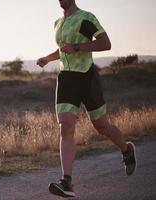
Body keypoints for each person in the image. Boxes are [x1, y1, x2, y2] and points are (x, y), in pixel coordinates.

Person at [36, 0, 137, 198]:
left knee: (102, 126)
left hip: (86, 78)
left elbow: (105, 43)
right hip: (66, 79)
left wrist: (77, 47)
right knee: (65, 126)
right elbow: (63, 49)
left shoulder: (85, 18)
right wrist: (48, 59)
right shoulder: (57, 23)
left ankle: (127, 150)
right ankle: (67, 182)